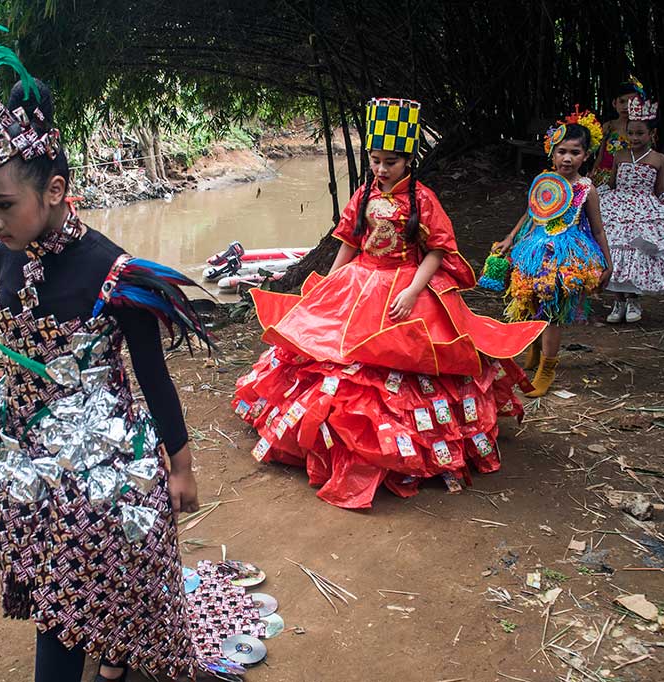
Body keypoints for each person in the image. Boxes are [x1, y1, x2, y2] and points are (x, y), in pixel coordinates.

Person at [0, 25, 211, 682]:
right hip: (25, 458)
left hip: (104, 458)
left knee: (100, 575)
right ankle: (108, 645)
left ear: (56, 191)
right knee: (58, 583)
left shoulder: (114, 272)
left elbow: (152, 376)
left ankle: (113, 648)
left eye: (4, 205)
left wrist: (179, 469)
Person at [233, 98, 546, 510]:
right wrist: (329, 283)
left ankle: (403, 451)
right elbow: (348, 241)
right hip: (358, 282)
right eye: (376, 160)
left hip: (404, 283)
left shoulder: (424, 199)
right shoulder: (363, 194)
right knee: (334, 356)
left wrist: (414, 291)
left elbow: (436, 251)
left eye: (391, 162)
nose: (381, 169)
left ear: (408, 160)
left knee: (405, 358)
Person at [494, 109, 613, 397]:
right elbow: (530, 214)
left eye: (575, 152)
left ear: (586, 155)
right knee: (529, 298)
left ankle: (547, 367)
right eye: (562, 152)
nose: (568, 158)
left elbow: (597, 229)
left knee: (553, 310)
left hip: (566, 256)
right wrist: (510, 238)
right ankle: (534, 346)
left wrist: (608, 262)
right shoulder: (544, 183)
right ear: (552, 152)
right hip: (534, 249)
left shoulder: (586, 190)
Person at [600, 97, 664, 323]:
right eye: (631, 133)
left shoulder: (659, 159)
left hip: (645, 209)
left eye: (639, 134)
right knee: (614, 250)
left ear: (651, 135)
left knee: (638, 251)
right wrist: (589, 193)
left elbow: (660, 190)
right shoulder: (620, 156)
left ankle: (634, 299)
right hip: (617, 209)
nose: (634, 138)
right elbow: (612, 185)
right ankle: (618, 301)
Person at [591, 77, 644, 188]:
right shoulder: (608, 126)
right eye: (622, 101)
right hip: (606, 175)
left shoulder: (642, 129)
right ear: (614, 103)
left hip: (630, 177)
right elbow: (601, 154)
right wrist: (594, 171)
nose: (625, 107)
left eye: (631, 102)